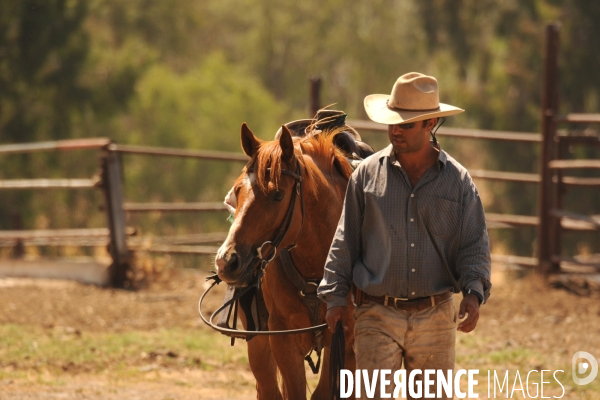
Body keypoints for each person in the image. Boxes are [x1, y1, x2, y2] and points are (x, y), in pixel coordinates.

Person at [317, 72, 491, 399]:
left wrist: (474, 290)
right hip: (376, 313)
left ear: (431, 124)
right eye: (392, 123)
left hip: (436, 314)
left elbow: (473, 242)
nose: (396, 130)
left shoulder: (458, 182)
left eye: (406, 124)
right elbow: (346, 239)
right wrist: (336, 297)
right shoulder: (366, 177)